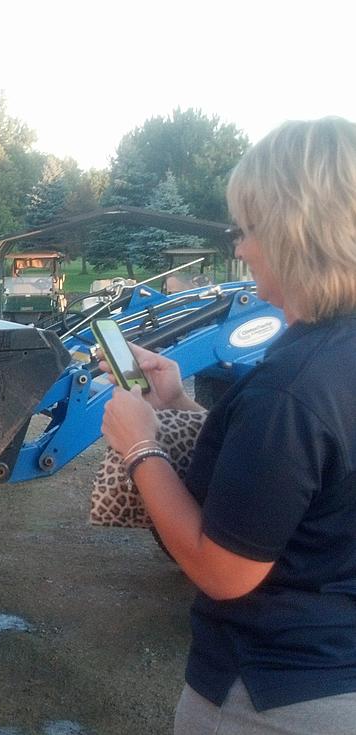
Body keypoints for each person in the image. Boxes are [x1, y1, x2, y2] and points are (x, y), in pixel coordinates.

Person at [100, 117, 356, 734]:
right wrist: (182, 405)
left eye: (247, 230)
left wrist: (140, 446)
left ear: (294, 231)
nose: (239, 249)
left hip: (273, 693)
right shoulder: (332, 355)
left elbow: (223, 572)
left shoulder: (293, 385)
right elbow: (309, 474)